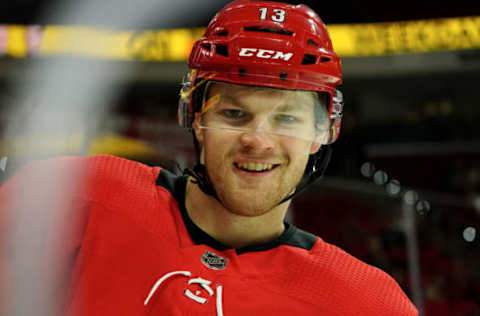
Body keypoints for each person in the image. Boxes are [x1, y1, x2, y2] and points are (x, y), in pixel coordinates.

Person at [0, 1, 418, 315]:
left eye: (286, 118)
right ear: (194, 117)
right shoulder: (78, 194)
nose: (258, 139)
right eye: (234, 113)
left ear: (323, 132)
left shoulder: (369, 304)